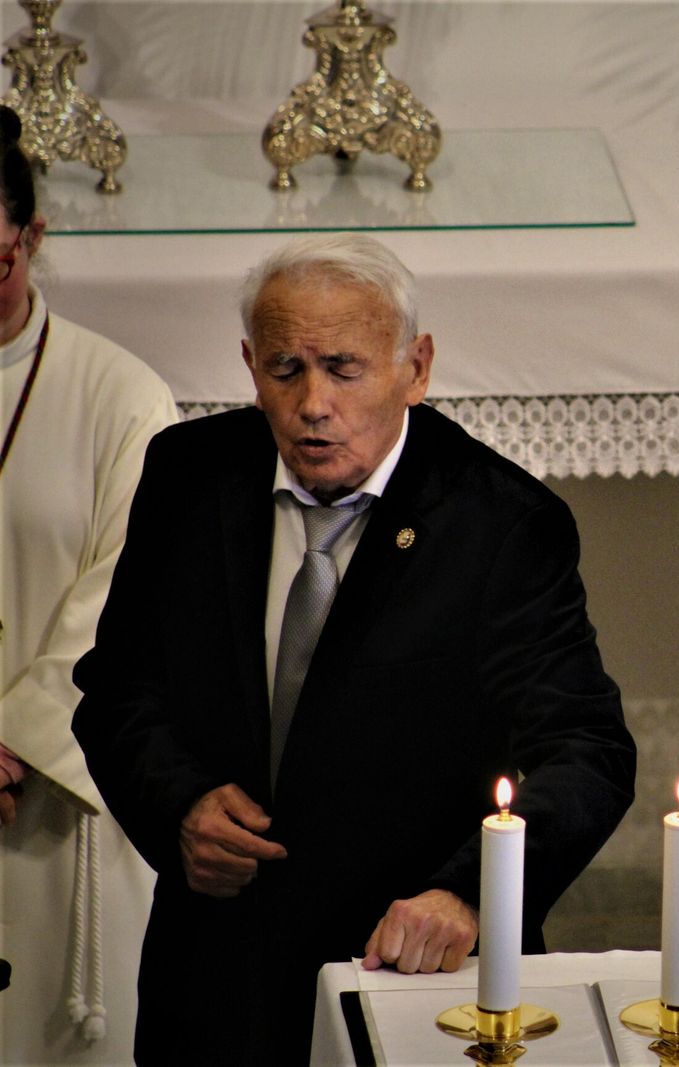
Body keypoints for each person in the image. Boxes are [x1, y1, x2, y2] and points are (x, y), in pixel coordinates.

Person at [72, 232, 637, 1063]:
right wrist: (180, 804)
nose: (311, 405)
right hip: (218, 977)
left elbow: (588, 750)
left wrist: (469, 893)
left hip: (409, 974)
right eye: (283, 369)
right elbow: (118, 689)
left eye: (343, 368)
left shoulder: (501, 525)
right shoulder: (188, 476)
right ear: (248, 363)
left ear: (416, 365)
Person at [0, 106, 178, 1064]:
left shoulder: (125, 399)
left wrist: (14, 738)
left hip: (51, 794)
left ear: (33, 237)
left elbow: (124, 593)